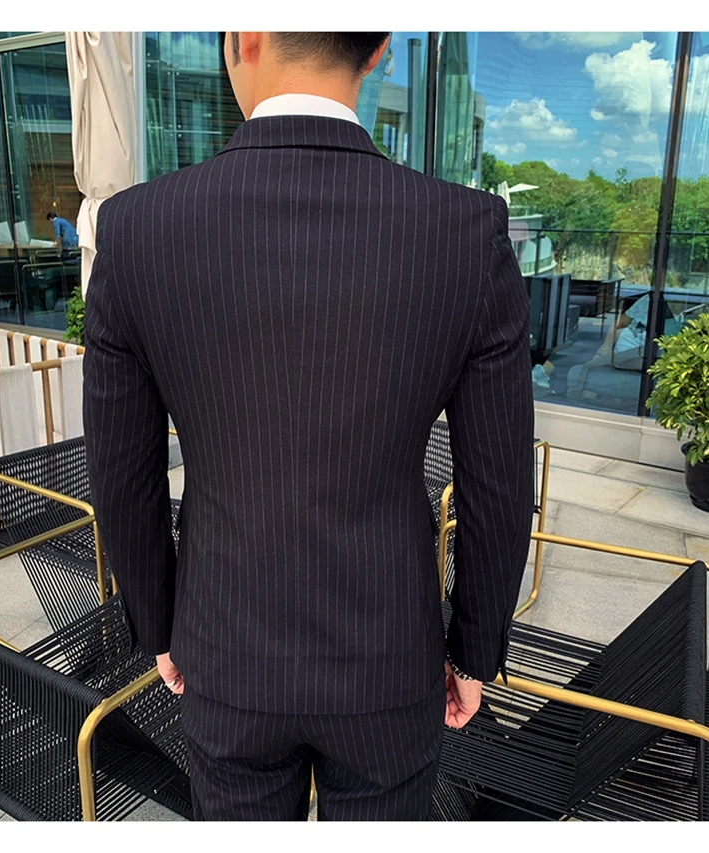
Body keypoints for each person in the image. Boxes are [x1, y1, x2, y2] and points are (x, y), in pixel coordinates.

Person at [83, 32, 534, 821]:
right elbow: (497, 481)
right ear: (380, 49)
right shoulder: (466, 232)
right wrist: (474, 649)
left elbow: (122, 474)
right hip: (389, 658)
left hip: (225, 650)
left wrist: (158, 624)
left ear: (245, 36)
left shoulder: (136, 229)